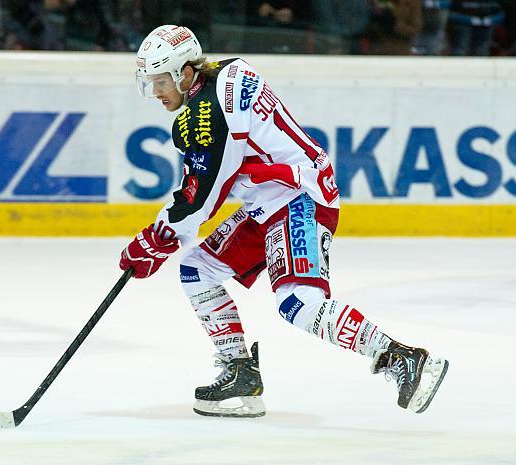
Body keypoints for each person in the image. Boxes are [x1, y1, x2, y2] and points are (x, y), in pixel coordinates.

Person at [120, 25, 449, 418]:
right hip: (270, 200)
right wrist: (166, 236)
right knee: (197, 268)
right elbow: (207, 182)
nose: (155, 91)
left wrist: (156, 239)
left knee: (299, 304)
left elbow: (202, 196)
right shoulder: (224, 75)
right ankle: (240, 374)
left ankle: (401, 358)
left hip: (299, 198)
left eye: (160, 81)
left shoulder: (210, 115)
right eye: (149, 82)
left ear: (185, 73)